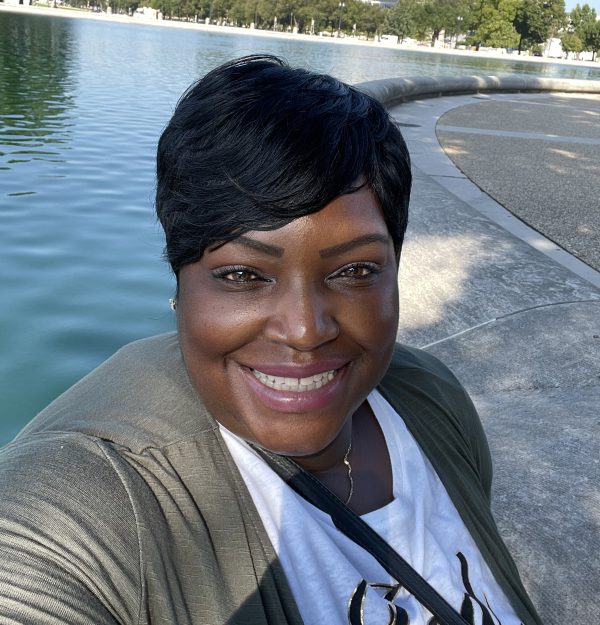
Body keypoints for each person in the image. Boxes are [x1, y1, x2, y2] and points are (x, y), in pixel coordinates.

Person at [0, 55, 542, 625]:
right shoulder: (89, 504)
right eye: (243, 276)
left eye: (355, 271)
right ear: (180, 287)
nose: (305, 331)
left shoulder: (432, 401)